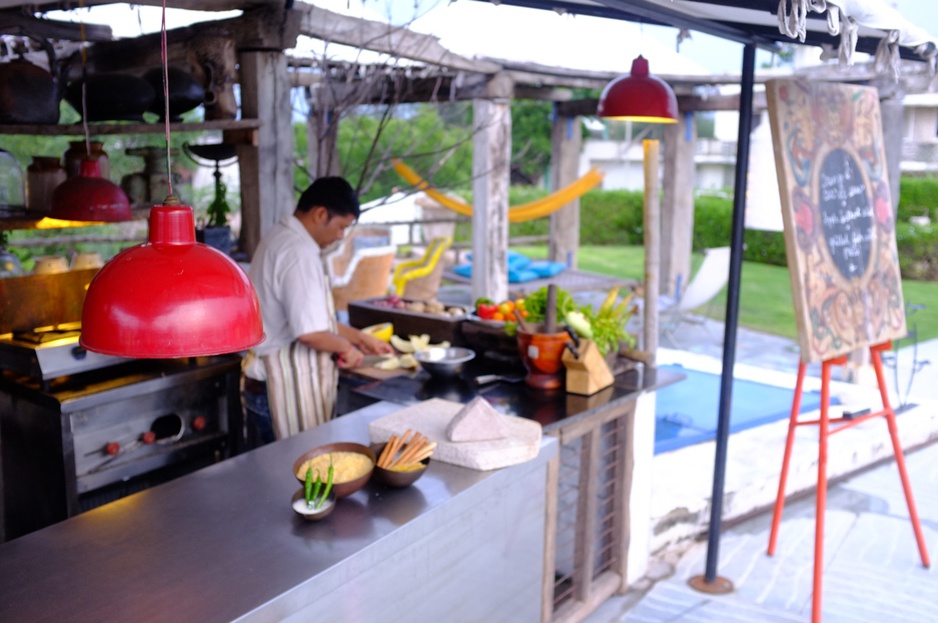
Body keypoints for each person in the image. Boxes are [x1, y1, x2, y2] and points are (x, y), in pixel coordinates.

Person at [242, 176, 394, 445]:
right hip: (279, 389)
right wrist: (346, 349)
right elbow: (310, 333)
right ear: (320, 213)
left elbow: (315, 321)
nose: (340, 237)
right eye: (341, 227)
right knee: (290, 478)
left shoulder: (280, 236)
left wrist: (360, 338)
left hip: (266, 385)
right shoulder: (298, 252)